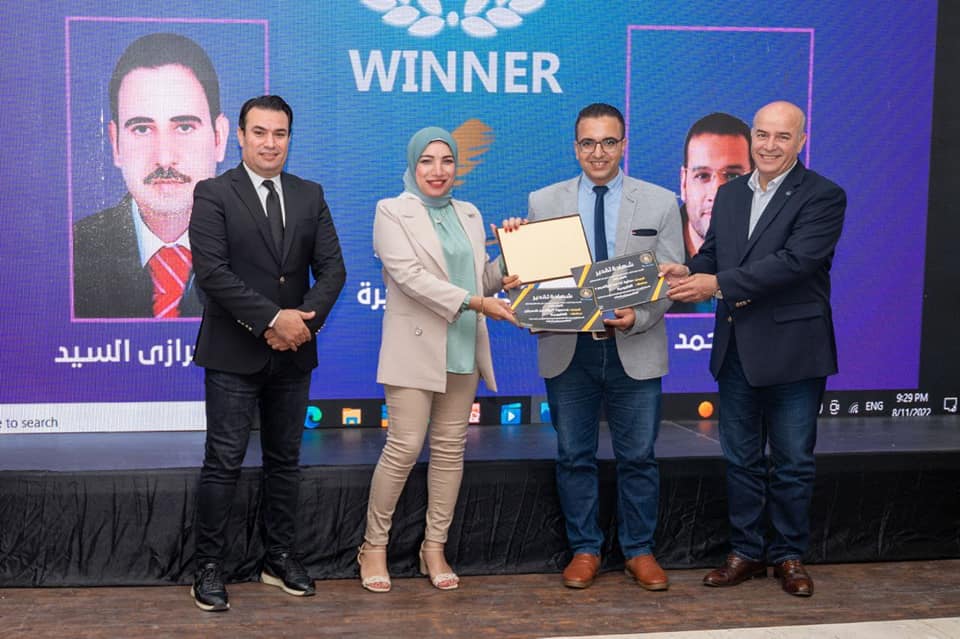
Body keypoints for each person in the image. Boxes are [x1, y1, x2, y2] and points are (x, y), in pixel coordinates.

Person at [662, 100, 846, 597]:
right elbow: (714, 253)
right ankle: (745, 552)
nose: (769, 145)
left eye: (782, 137)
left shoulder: (823, 196)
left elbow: (793, 263)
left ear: (801, 141)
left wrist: (717, 284)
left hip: (794, 351)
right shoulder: (732, 194)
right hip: (737, 349)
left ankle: (788, 556)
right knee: (741, 459)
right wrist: (688, 268)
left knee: (792, 462)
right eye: (762, 134)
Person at [188, 95, 346, 611]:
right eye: (259, 132)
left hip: (293, 354)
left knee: (285, 461)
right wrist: (273, 320)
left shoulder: (309, 194)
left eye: (279, 133)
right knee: (223, 462)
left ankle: (278, 558)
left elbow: (334, 271)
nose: (270, 143)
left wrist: (300, 324)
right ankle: (208, 567)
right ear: (240, 136)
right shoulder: (213, 193)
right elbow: (213, 274)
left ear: (289, 138)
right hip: (233, 353)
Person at [527, 103, 682, 590]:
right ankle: (585, 549)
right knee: (574, 455)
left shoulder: (660, 202)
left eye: (609, 142)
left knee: (638, 456)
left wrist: (641, 316)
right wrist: (520, 271)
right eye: (589, 143)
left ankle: (639, 551)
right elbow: (533, 279)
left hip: (634, 346)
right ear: (575, 147)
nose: (599, 152)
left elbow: (670, 278)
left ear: (623, 145)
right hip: (568, 350)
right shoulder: (543, 202)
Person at [357, 127, 518, 594]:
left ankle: (434, 547)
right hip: (415, 347)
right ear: (413, 164)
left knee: (449, 450)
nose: (438, 170)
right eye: (427, 160)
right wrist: (476, 302)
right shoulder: (391, 211)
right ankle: (373, 546)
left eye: (447, 160)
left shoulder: (469, 213)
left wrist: (513, 255)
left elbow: (481, 279)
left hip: (462, 344)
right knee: (405, 447)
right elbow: (409, 278)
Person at [73, 32, 229, 319]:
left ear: (219, 138)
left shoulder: (261, 248)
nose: (164, 158)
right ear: (115, 144)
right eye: (142, 129)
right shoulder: (71, 254)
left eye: (184, 127)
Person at [672, 112, 752, 314]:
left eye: (733, 176)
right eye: (702, 176)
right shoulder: (652, 250)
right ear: (684, 182)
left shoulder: (776, 252)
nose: (717, 193)